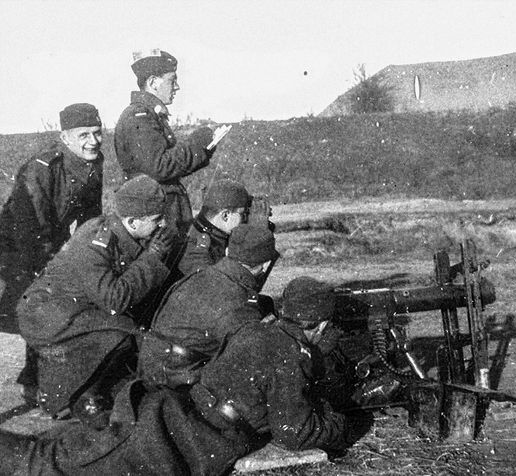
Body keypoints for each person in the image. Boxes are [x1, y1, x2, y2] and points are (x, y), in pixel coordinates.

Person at [0, 277, 350, 476]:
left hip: (171, 412)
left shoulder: (258, 330)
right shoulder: (289, 354)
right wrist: (341, 426)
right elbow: (295, 432)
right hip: (182, 438)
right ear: (318, 325)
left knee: (67, 448)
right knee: (53, 464)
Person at [17, 175, 175, 426]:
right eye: (156, 219)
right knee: (122, 333)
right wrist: (153, 258)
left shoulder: (121, 232)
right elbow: (115, 299)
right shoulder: (95, 242)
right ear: (133, 221)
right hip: (45, 314)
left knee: (129, 334)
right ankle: (81, 395)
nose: (163, 224)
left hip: (72, 310)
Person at [0, 103, 104, 402]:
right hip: (15, 245)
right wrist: (50, 265)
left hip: (48, 242)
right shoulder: (42, 167)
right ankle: (34, 382)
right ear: (65, 137)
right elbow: (31, 223)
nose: (92, 141)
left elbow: (91, 219)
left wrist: (89, 255)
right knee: (33, 306)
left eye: (97, 133)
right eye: (83, 135)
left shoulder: (93, 162)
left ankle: (36, 382)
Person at [138, 223, 279, 388]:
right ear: (265, 265)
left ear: (228, 252)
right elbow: (251, 356)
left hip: (150, 367)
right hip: (179, 382)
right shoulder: (238, 302)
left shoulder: (201, 274)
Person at [114, 49, 218, 242]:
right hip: (156, 215)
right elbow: (160, 167)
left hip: (163, 211)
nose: (176, 87)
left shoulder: (148, 115)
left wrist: (205, 148)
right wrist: (198, 144)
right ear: (153, 82)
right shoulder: (139, 117)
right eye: (172, 80)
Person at [177, 179, 251, 277]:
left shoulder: (208, 234)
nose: (246, 220)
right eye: (243, 214)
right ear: (225, 216)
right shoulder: (196, 252)